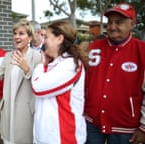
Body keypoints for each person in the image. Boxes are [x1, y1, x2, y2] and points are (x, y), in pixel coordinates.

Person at [0, 19, 41, 144]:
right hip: (8, 108)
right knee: (8, 139)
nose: (16, 37)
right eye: (15, 33)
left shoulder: (37, 57)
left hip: (25, 110)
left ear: (30, 37)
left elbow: (40, 85)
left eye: (21, 33)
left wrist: (27, 70)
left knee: (22, 140)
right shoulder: (8, 55)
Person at [85, 3, 145, 144]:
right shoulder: (94, 47)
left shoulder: (142, 50)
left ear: (132, 24)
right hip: (91, 123)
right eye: (110, 22)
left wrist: (143, 127)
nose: (112, 27)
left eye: (118, 22)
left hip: (126, 127)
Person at [31, 21, 88, 144]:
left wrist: (41, 65)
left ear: (59, 39)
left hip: (64, 138)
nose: (44, 41)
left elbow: (37, 88)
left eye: (47, 37)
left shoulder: (71, 65)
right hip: (47, 137)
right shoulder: (54, 63)